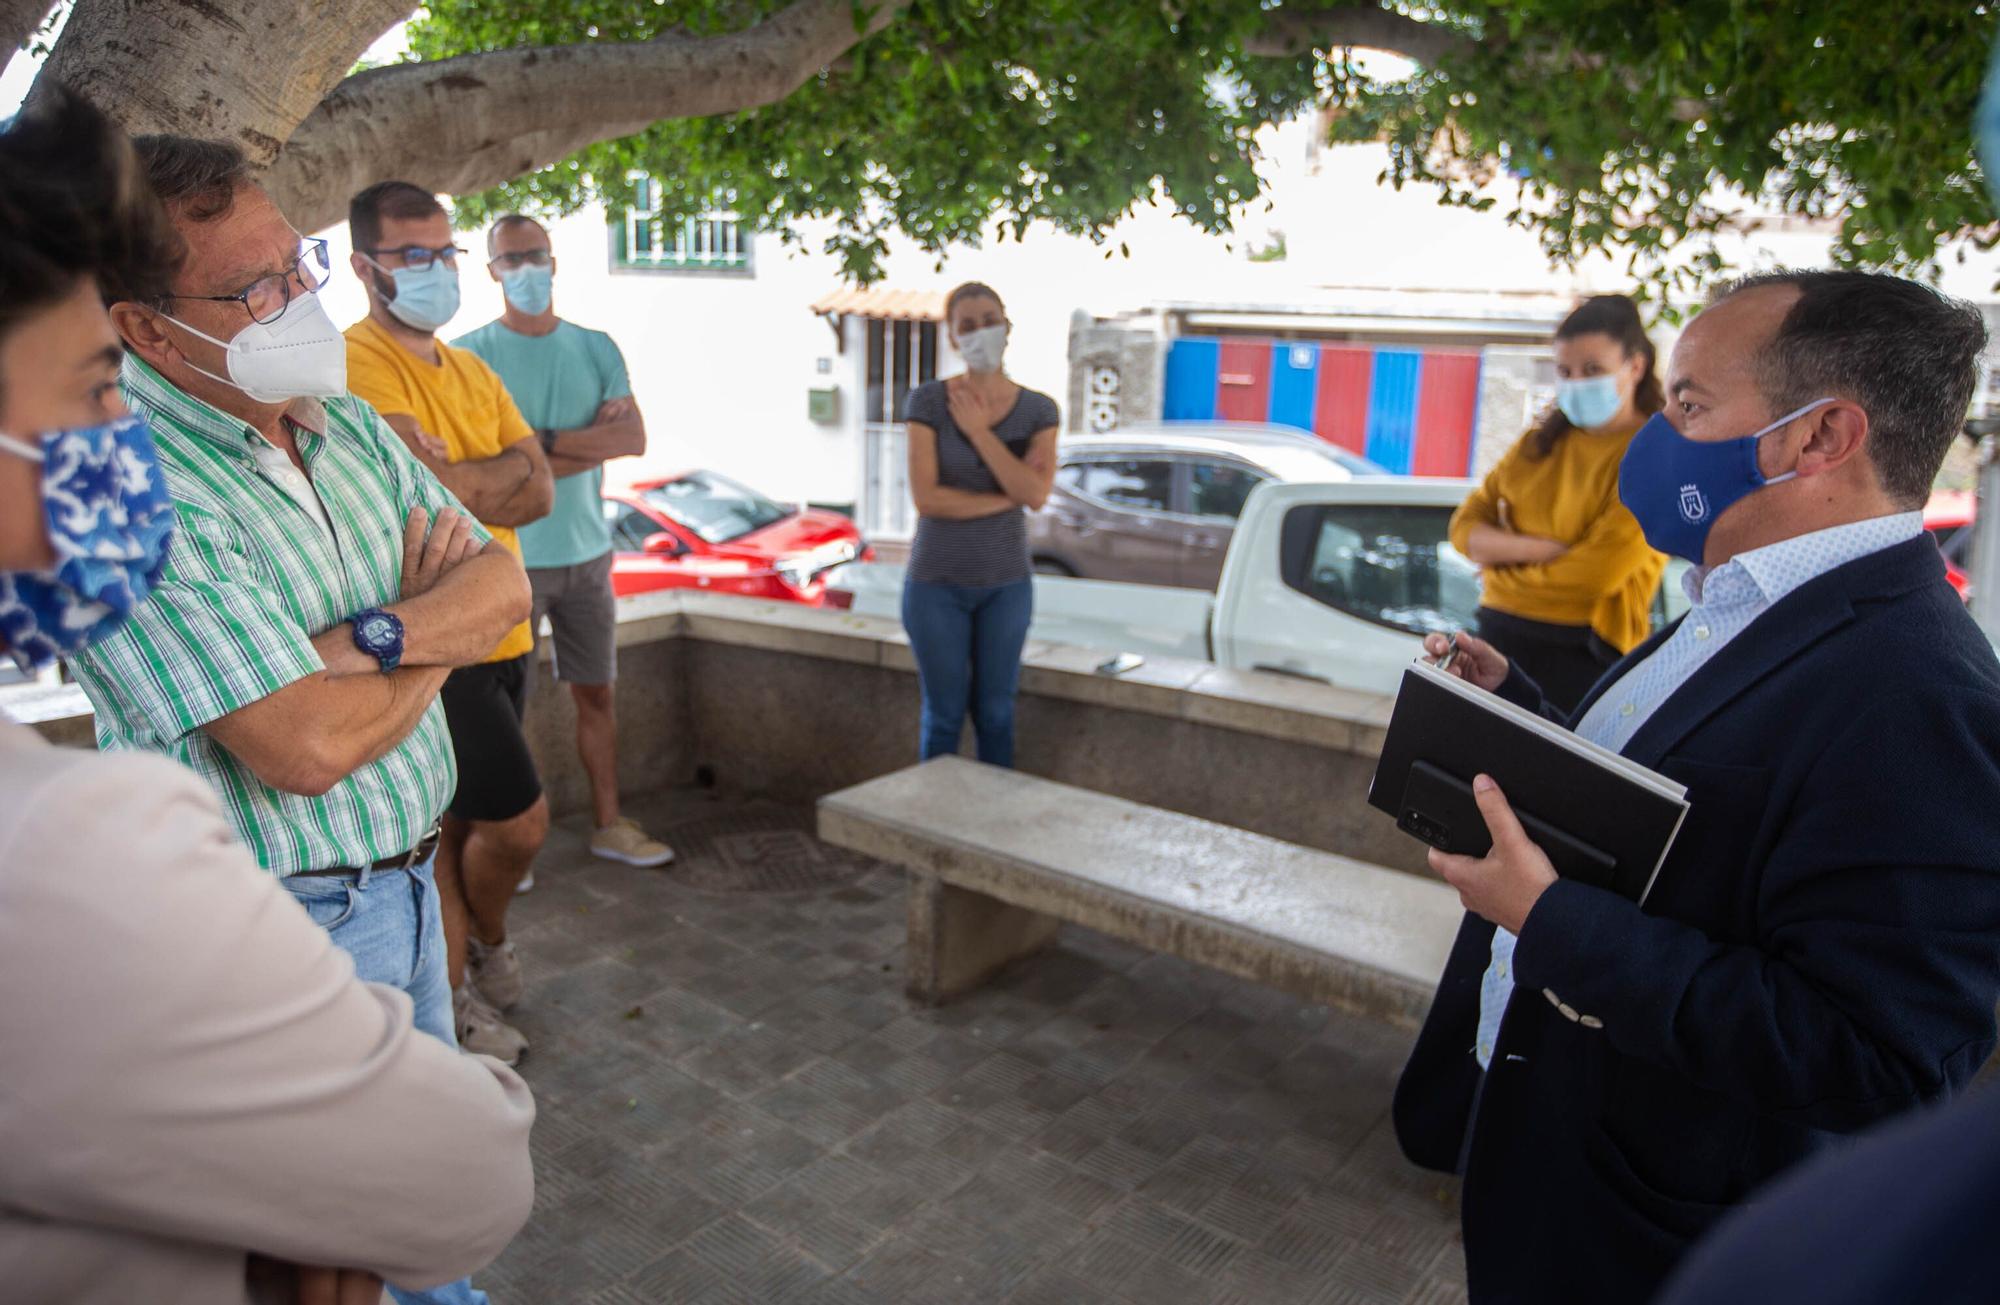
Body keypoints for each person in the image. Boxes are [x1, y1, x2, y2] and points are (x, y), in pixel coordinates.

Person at [0, 88, 533, 1305]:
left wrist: (371, 642)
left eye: (296, 268)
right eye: (86, 389)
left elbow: (502, 576)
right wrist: (439, 638)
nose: (299, 304)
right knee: (401, 1235)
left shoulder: (341, 414)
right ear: (141, 329)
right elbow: (298, 744)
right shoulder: (62, 838)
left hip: (405, 883)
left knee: (395, 1262)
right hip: (293, 915)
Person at [1392, 269, 2000, 1304]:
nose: (1656, 434)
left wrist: (1551, 923)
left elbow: (1877, 1058)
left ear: (1820, 438)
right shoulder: (1740, 597)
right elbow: (1686, 808)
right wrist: (1527, 714)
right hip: (1544, 1134)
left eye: (1687, 404)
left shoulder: (1921, 696)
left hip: (1650, 1229)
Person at [344, 182, 556, 1066]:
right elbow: (412, 503)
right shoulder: (356, 363)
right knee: (515, 823)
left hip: (505, 632)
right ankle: (471, 980)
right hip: (437, 641)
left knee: (470, 830)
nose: (436, 270)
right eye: (413, 255)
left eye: (445, 252)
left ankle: (466, 973)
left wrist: (462, 475)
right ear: (365, 267)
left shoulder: (468, 369)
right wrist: (488, 473)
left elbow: (539, 488)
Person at [454, 213, 675, 872]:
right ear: (492, 270)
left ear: (554, 260)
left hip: (587, 555)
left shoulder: (596, 347)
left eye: (535, 254)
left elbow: (631, 440)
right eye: (511, 258)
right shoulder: (468, 358)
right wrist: (566, 443)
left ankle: (609, 822)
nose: (526, 268)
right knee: (504, 712)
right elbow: (478, 471)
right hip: (504, 564)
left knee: (598, 695)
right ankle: (501, 844)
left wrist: (533, 447)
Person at [1449, 295, 1669, 713]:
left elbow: (1595, 577)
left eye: (1593, 370)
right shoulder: (1538, 443)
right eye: (1565, 371)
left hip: (1585, 656)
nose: (1576, 382)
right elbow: (1463, 528)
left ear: (1636, 366)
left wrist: (1498, 570)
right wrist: (1543, 551)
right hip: (1496, 639)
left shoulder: (1652, 454)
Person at [901, 282, 1060, 766]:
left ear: (1007, 326)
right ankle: (935, 823)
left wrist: (977, 433)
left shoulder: (1038, 409)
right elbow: (928, 499)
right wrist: (1007, 494)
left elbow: (1035, 494)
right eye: (966, 326)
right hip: (935, 585)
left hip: (1006, 584)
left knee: (996, 714)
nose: (980, 333)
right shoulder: (927, 403)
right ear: (951, 338)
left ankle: (995, 821)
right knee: (943, 716)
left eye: (989, 320)